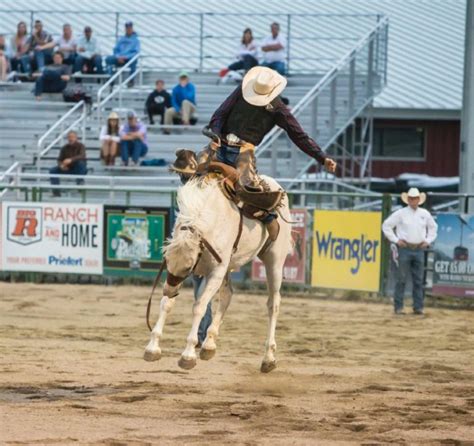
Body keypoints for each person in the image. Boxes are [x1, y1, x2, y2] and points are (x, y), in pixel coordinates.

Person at [199, 66, 337, 240]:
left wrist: (321, 157)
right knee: (193, 168)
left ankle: (267, 217)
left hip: (244, 150)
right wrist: (216, 134)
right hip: (220, 143)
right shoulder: (241, 90)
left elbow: (298, 135)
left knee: (248, 185)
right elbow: (220, 114)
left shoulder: (278, 108)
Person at [382, 188, 438, 315]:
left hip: (418, 248)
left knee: (418, 279)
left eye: (415, 198)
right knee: (401, 278)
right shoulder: (401, 213)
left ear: (419, 199)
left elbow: (434, 228)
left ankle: (418, 307)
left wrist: (428, 241)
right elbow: (386, 225)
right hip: (405, 248)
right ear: (408, 200)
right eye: (411, 198)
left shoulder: (424, 214)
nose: (413, 200)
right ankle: (399, 307)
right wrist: (396, 240)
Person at [49, 130, 87, 197]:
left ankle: (80, 184)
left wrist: (71, 160)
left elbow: (82, 155)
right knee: (52, 170)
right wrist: (61, 165)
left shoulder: (81, 146)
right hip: (68, 168)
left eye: (72, 137)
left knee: (80, 163)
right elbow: (59, 159)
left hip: (78, 168)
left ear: (76, 138)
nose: (70, 139)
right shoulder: (64, 148)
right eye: (69, 137)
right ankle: (56, 192)